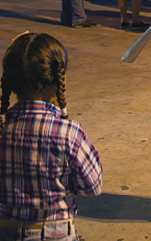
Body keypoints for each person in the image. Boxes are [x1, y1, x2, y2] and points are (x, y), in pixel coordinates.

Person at [0, 32, 102, 239]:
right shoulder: (69, 133)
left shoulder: (3, 130)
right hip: (55, 233)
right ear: (57, 80)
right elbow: (93, 186)